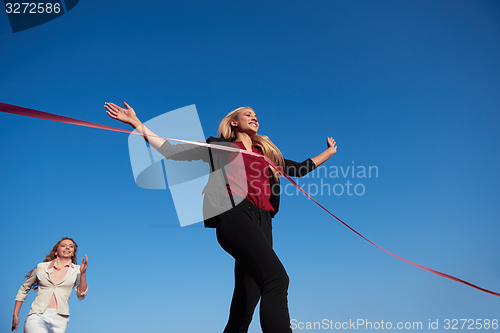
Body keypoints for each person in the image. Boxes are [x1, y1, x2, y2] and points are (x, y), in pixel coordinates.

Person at [105, 102, 337, 333]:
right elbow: (170, 151)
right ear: (233, 122)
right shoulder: (220, 148)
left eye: (256, 115)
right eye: (248, 114)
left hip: (264, 223)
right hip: (235, 215)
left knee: (244, 307)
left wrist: (329, 152)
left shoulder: (266, 155)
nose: (254, 117)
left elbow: (300, 169)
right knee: (277, 279)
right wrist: (136, 123)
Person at [12, 237, 88, 333]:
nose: (67, 248)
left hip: (61, 319)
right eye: (63, 245)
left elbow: (81, 295)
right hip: (37, 315)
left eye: (71, 246)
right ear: (56, 252)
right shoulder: (41, 267)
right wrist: (15, 314)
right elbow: (24, 289)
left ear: (73, 253)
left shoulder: (77, 270)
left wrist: (83, 274)